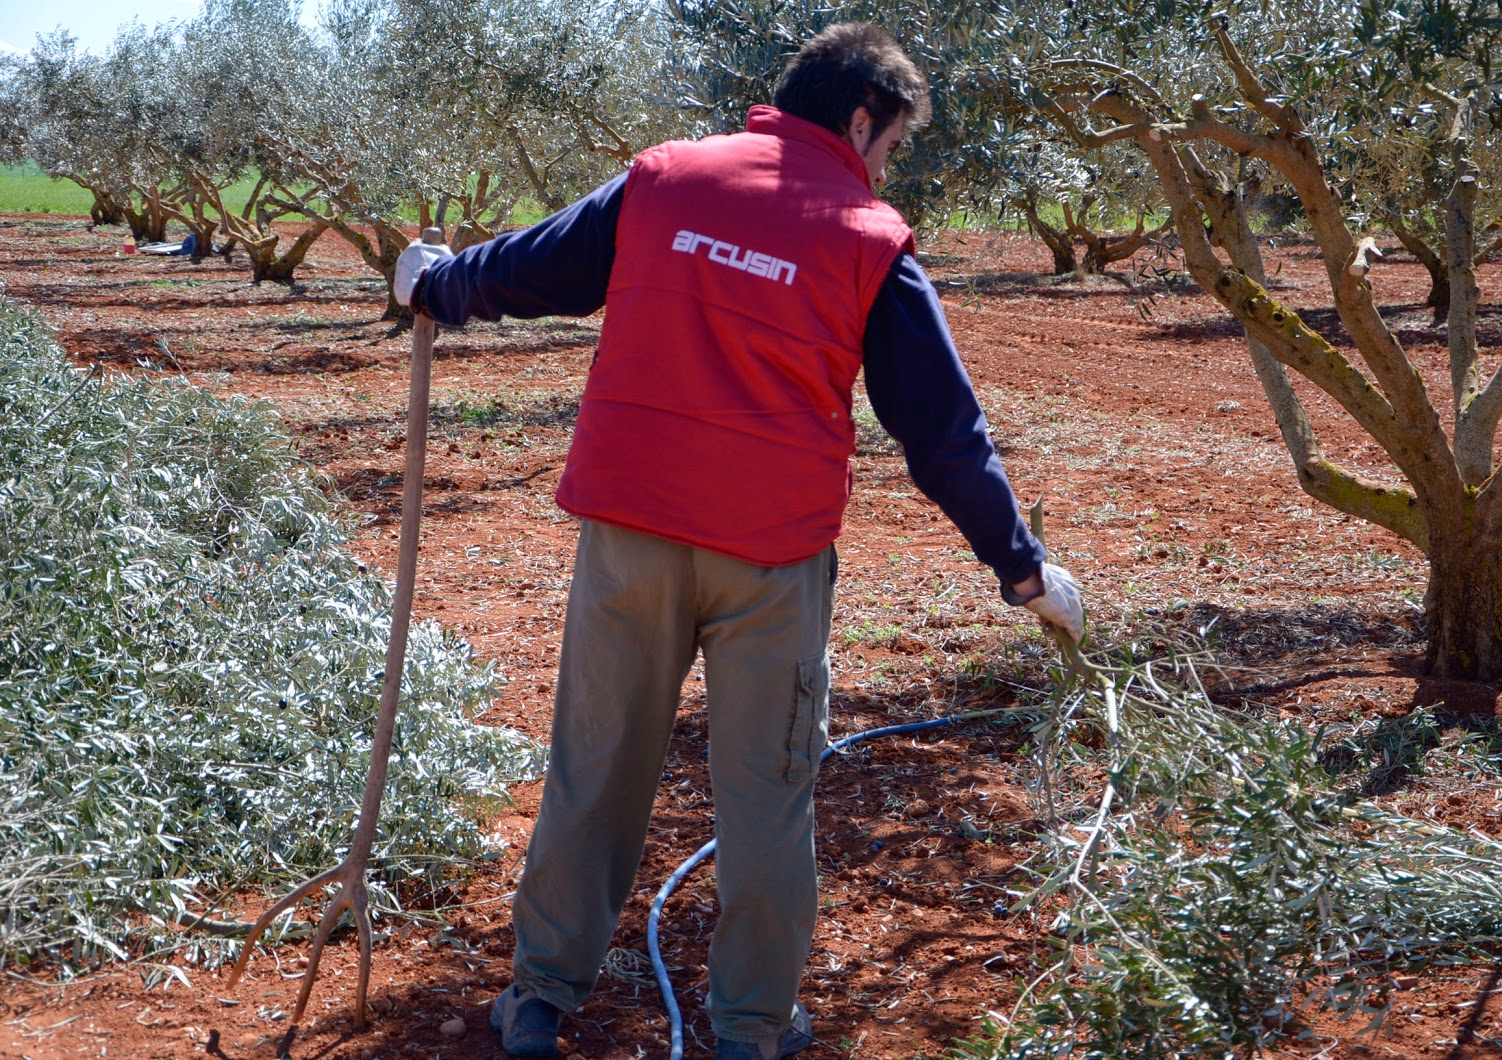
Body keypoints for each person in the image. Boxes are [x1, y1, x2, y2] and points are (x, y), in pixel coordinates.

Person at [393, 22, 1083, 1060]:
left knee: (596, 763)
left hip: (631, 536)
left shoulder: (664, 182)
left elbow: (536, 268)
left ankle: (538, 999)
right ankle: (749, 1028)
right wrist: (1022, 568)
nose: (885, 163)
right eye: (889, 142)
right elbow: (941, 434)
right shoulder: (867, 235)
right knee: (766, 793)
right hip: (770, 559)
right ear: (861, 116)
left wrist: (435, 282)